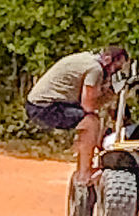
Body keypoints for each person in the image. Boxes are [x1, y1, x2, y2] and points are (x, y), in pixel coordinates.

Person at [25, 46, 129, 183]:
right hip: (45, 106)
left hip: (40, 103)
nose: (114, 73)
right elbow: (88, 105)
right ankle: (84, 173)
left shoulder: (89, 60)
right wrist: (109, 93)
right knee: (90, 122)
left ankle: (83, 164)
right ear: (109, 60)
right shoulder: (95, 70)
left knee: (91, 120)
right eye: (116, 68)